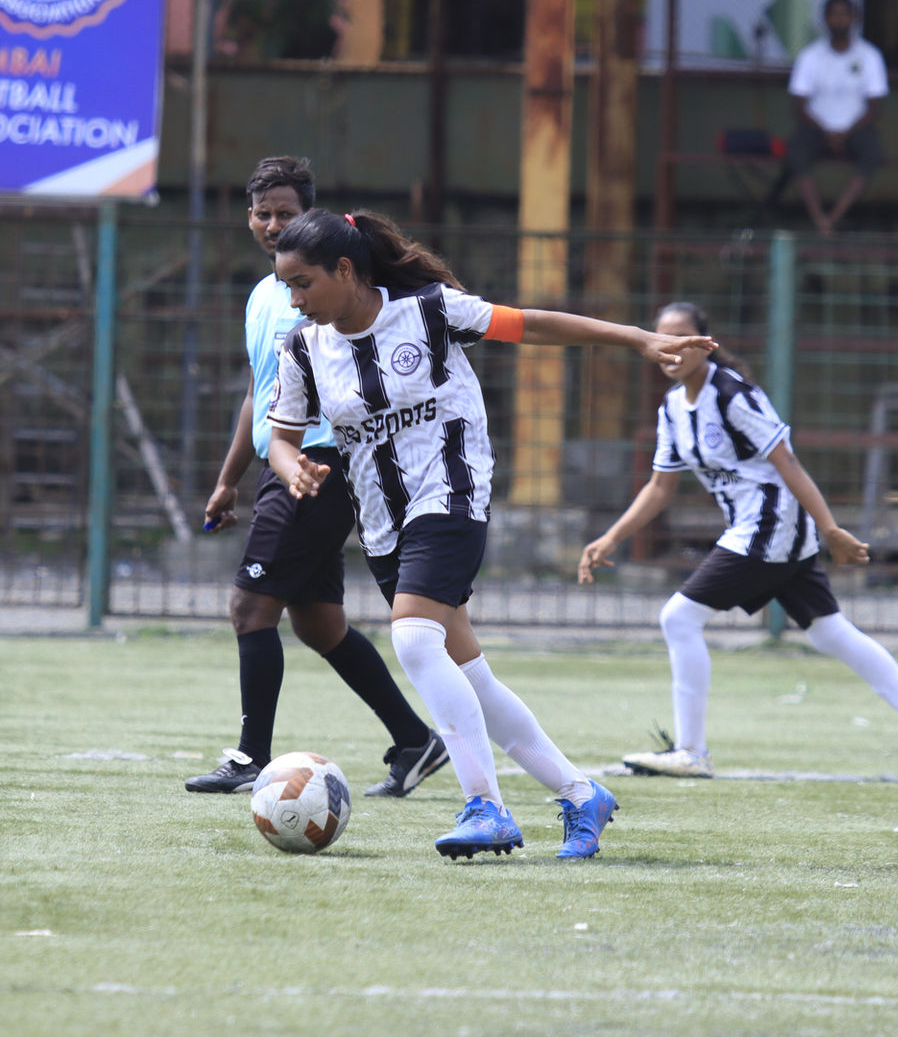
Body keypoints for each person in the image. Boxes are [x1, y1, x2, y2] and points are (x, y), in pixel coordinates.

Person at [264, 209, 717, 858]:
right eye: (286, 286)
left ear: (344, 269)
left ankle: (486, 806)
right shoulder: (303, 348)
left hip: (451, 494)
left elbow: (534, 324)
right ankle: (582, 794)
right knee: (468, 676)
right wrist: (294, 470)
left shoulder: (431, 311)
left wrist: (639, 339)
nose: (294, 299)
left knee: (413, 640)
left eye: (303, 283)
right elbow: (282, 439)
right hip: (383, 526)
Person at [578, 300, 898, 782]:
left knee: (679, 617)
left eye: (682, 338)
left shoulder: (732, 394)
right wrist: (611, 537)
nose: (670, 349)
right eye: (662, 338)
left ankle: (692, 751)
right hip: (754, 528)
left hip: (770, 525)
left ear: (705, 344)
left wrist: (830, 528)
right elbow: (660, 486)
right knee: (829, 632)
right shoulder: (672, 408)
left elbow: (788, 462)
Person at [185, 158, 449, 798]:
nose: (273, 224)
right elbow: (261, 394)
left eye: (286, 213)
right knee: (318, 622)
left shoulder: (329, 291)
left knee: (250, 606)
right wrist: (228, 479)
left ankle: (251, 758)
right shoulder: (263, 295)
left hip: (319, 464)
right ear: (249, 219)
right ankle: (415, 740)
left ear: (311, 217)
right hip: (282, 464)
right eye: (263, 213)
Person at [773, 0, 888, 235]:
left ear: (854, 19)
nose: (839, 19)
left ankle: (833, 217)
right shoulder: (810, 56)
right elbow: (798, 106)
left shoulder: (870, 55)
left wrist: (846, 133)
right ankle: (818, 217)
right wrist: (826, 133)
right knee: (795, 152)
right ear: (825, 19)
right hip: (816, 128)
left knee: (873, 153)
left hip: (856, 129)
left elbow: (875, 107)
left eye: (845, 14)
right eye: (834, 14)